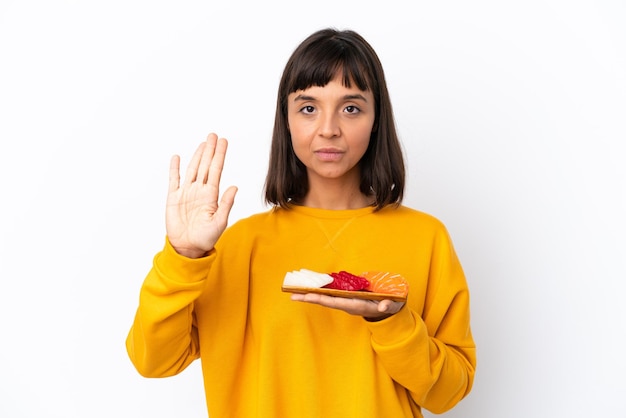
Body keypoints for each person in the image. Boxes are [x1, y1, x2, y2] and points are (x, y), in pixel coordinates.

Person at [126, 28, 476, 418]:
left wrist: (392, 321)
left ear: (376, 120)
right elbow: (153, 360)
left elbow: (448, 393)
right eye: (308, 107)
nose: (329, 128)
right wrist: (184, 256)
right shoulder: (239, 244)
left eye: (351, 107)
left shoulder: (425, 238)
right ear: (287, 121)